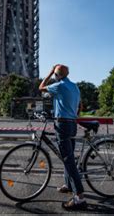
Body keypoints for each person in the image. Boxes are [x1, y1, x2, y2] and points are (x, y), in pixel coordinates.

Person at [39, 64, 86, 210]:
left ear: (56, 75)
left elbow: (41, 88)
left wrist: (49, 73)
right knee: (68, 156)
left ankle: (80, 197)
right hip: (72, 124)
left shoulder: (58, 85)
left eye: (55, 74)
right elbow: (80, 106)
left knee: (68, 160)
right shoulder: (74, 86)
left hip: (63, 124)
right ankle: (68, 185)